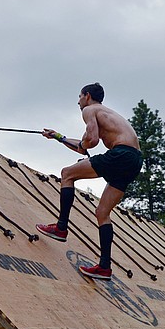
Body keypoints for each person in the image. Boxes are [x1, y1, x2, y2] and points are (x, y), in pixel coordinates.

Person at [36, 83, 143, 281]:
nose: (78, 101)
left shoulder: (90, 110)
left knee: (67, 174)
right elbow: (83, 146)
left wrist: (85, 146)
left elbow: (91, 142)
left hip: (121, 154)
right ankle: (104, 267)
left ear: (87, 96)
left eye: (79, 96)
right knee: (102, 213)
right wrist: (58, 137)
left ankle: (61, 227)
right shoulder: (107, 115)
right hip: (134, 159)